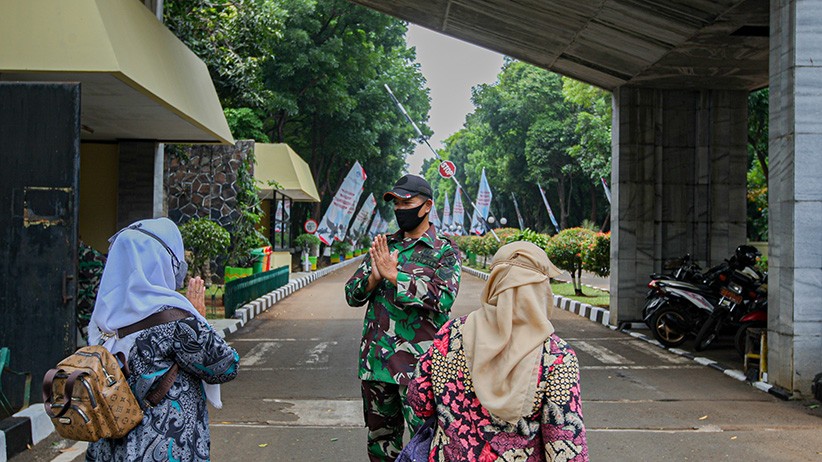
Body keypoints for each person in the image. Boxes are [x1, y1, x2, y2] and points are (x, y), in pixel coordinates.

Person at [407, 241, 589, 461]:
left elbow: (419, 401)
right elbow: (564, 445)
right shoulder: (556, 356)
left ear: (494, 283)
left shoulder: (452, 334)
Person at [85, 218, 239, 462]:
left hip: (110, 450)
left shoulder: (102, 319)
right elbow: (225, 366)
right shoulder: (175, 320)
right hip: (165, 447)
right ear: (160, 262)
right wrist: (199, 318)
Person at [345, 174, 462, 462]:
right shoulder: (385, 246)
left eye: (407, 202)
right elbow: (352, 295)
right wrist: (374, 277)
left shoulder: (444, 250)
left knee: (428, 442)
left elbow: (442, 297)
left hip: (419, 368)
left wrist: (395, 275)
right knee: (380, 443)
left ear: (426, 206)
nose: (400, 209)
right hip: (377, 365)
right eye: (396, 203)